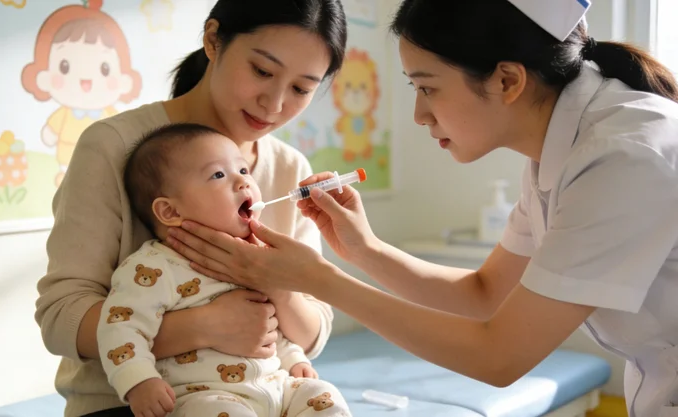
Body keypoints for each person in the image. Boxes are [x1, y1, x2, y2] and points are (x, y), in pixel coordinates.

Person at [163, 0, 678, 416]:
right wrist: (365, 250)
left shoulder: (622, 156)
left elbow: (499, 355)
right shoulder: (558, 152)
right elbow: (486, 294)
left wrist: (317, 278)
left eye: (427, 87)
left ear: (507, 80)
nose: (418, 114)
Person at [33, 1, 348, 416]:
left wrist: (278, 283)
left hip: (267, 399)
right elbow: (61, 318)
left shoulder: (291, 169)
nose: (274, 104)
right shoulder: (113, 146)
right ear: (213, 40)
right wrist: (205, 326)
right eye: (262, 71)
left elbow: (312, 334)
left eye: (301, 89)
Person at [98, 123, 350, 417]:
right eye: (218, 175)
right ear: (171, 211)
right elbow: (120, 327)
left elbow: (270, 323)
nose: (243, 182)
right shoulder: (154, 266)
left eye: (243, 170)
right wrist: (139, 382)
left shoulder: (258, 258)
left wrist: (293, 358)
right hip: (205, 397)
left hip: (276, 389)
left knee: (322, 396)